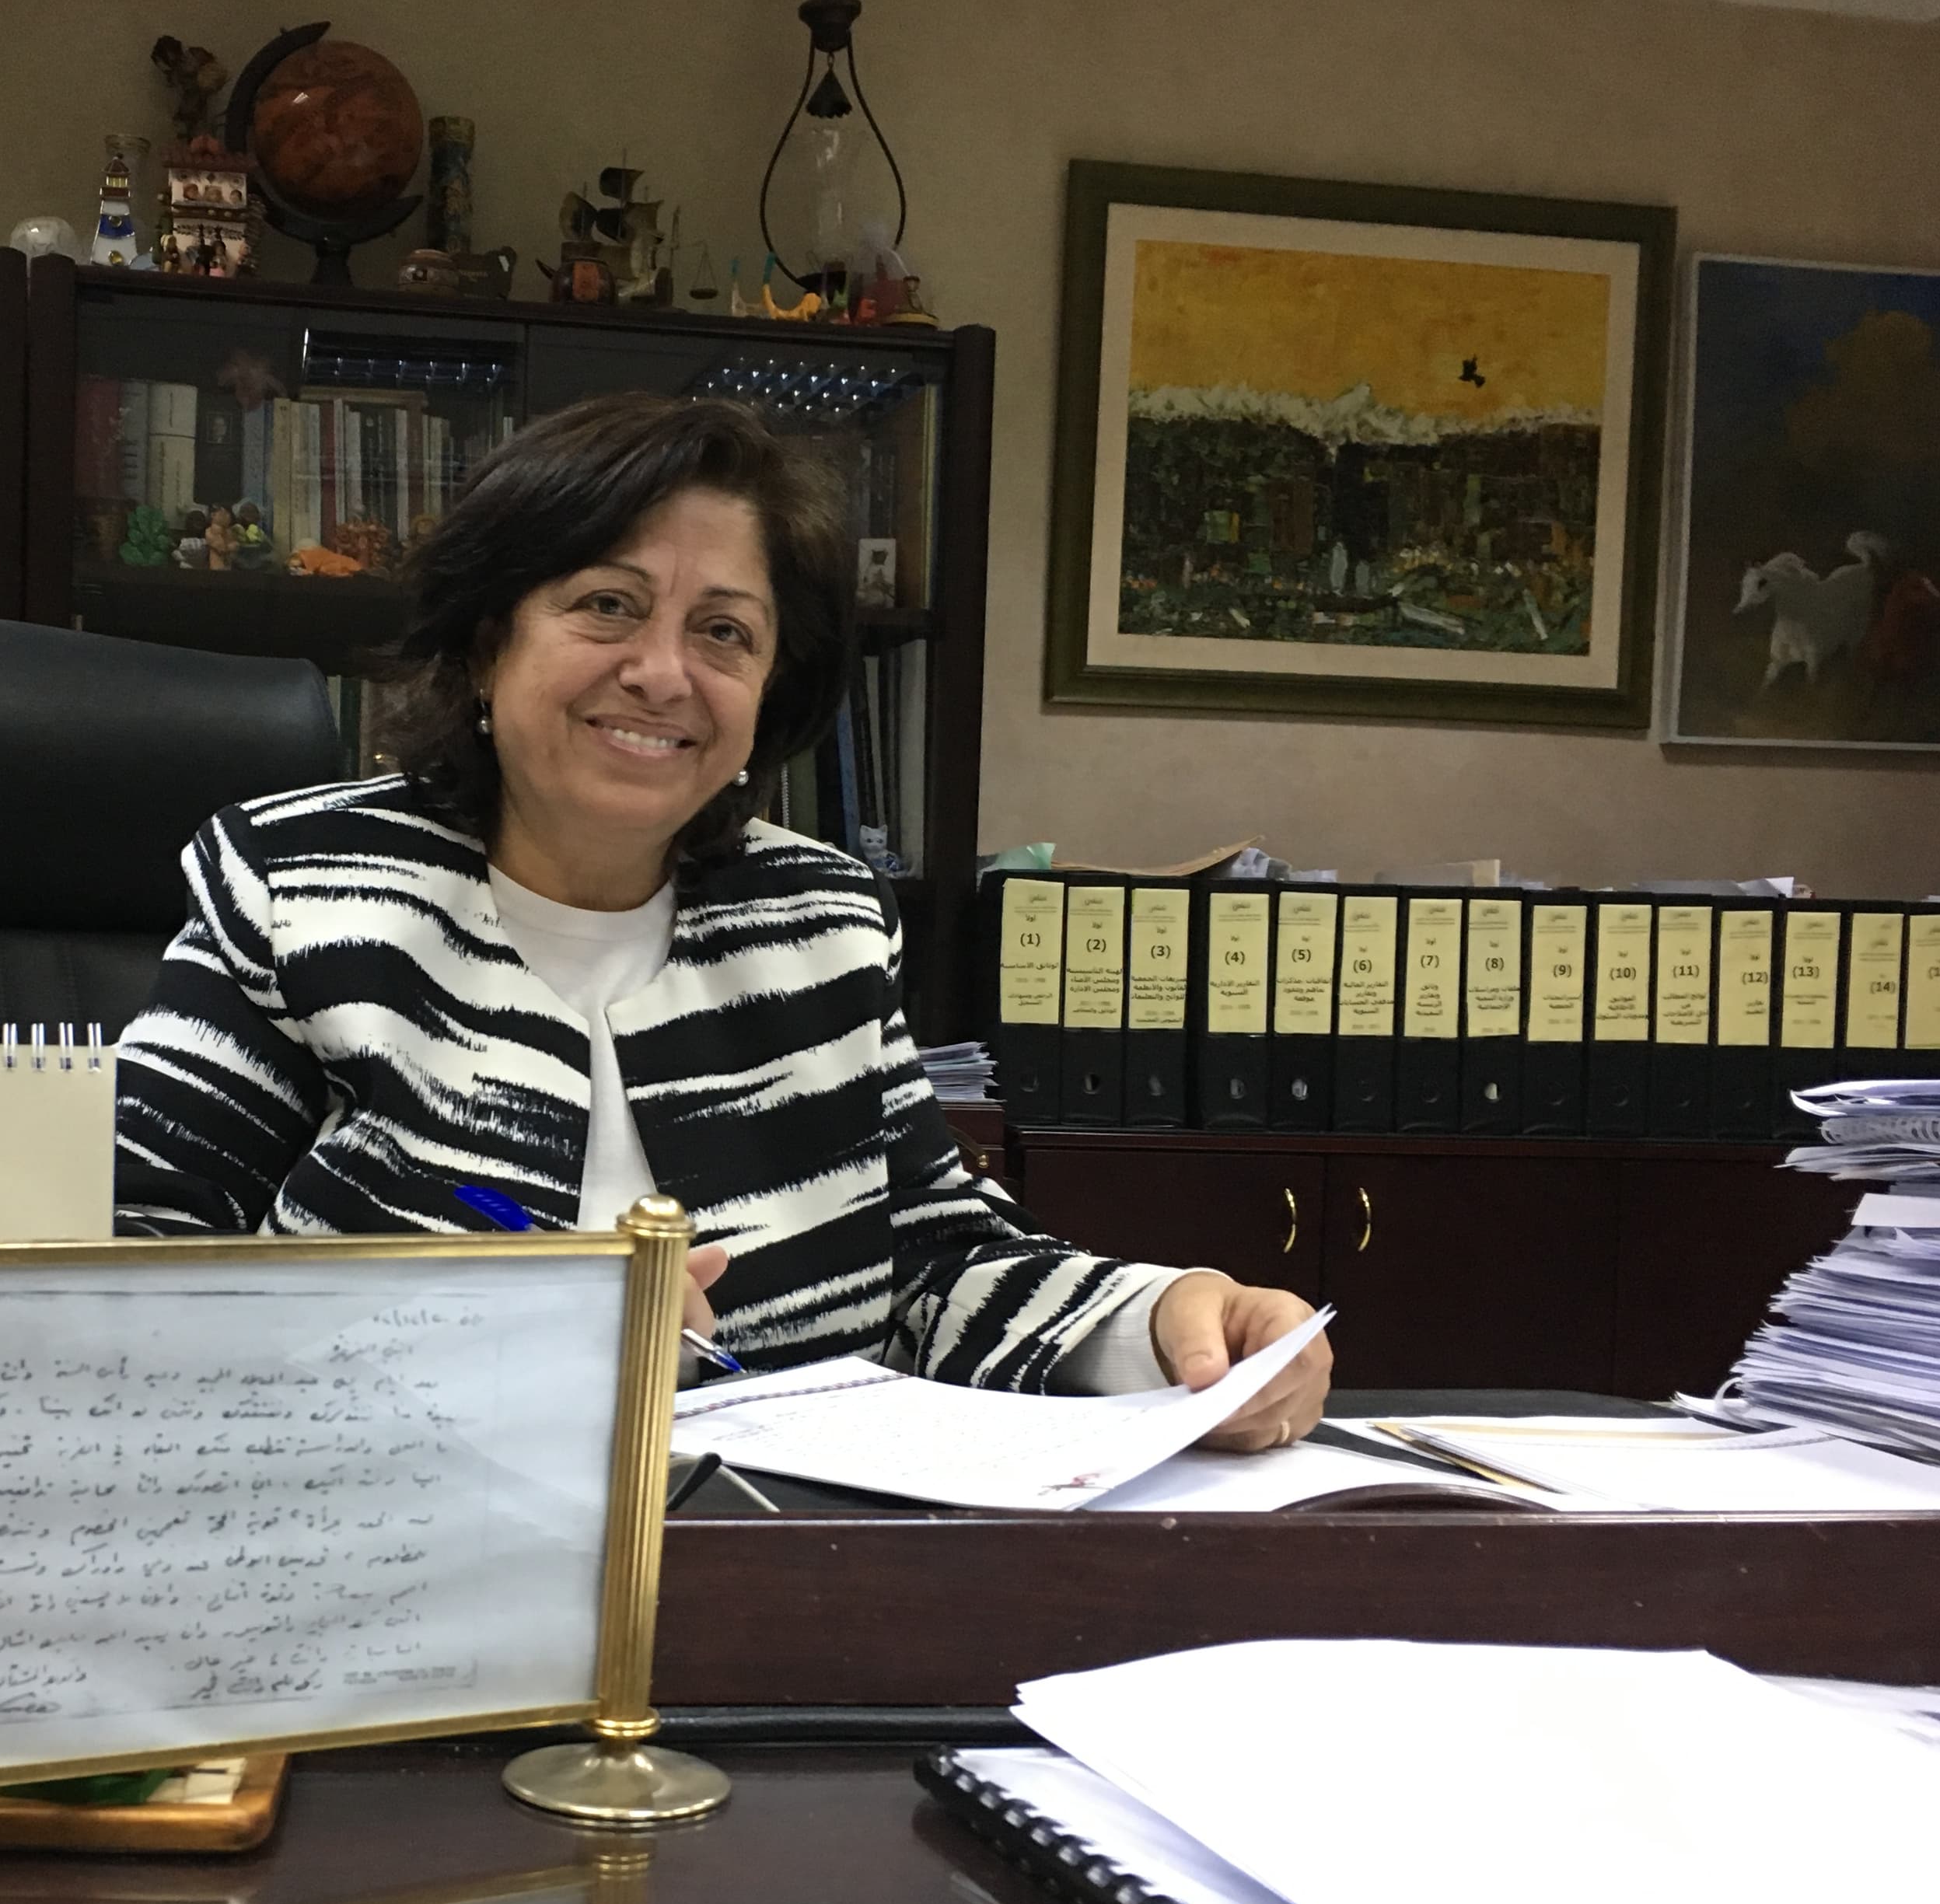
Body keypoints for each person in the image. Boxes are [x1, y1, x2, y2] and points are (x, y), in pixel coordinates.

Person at [116, 393, 1329, 1448]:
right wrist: (493, 1337)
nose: (663, 673)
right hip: (394, 1561)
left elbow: (936, 1260)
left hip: (770, 1558)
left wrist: (1161, 1324)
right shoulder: (302, 887)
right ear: (489, 644)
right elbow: (125, 1273)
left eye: (723, 632)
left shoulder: (818, 923)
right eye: (607, 605)